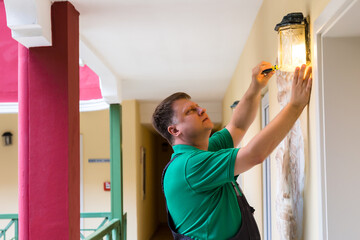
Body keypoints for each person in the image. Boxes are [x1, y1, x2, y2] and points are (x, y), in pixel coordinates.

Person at [152, 61, 312, 240]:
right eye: (190, 111)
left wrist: (255, 86)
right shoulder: (188, 166)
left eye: (197, 106)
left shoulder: (203, 151)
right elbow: (253, 155)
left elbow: (238, 125)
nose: (201, 109)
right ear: (174, 130)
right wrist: (295, 106)